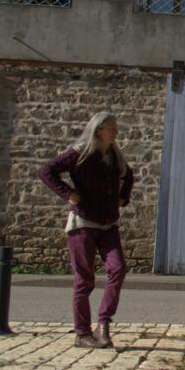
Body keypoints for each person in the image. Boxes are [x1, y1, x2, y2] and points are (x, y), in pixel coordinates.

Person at [38, 112, 133, 349]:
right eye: (112, 128)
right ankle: (82, 333)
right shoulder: (80, 152)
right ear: (99, 129)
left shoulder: (114, 154)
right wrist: (68, 193)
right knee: (85, 280)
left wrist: (123, 197)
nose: (116, 132)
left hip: (109, 223)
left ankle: (103, 322)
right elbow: (46, 171)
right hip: (83, 224)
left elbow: (128, 175)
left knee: (118, 268)